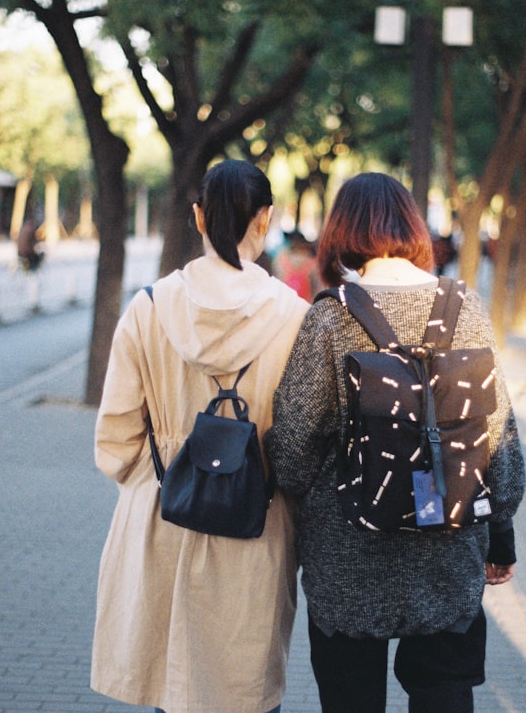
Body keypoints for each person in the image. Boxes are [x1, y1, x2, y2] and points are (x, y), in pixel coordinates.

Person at [264, 172, 526, 713]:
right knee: (444, 693)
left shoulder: (331, 318)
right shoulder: (466, 308)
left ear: (341, 231)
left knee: (351, 700)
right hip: (448, 549)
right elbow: (498, 445)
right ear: (412, 227)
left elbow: (290, 453)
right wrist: (500, 538)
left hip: (348, 559)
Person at [91, 159, 309, 713]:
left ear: (197, 218)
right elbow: (305, 443)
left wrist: (167, 472)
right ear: (265, 219)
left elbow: (115, 442)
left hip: (163, 515)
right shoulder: (297, 318)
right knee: (243, 689)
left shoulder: (146, 310)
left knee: (172, 687)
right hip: (253, 529)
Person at [271, 230, 321, 301]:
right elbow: (318, 291)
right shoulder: (314, 265)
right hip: (305, 307)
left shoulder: (279, 261)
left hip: (283, 306)